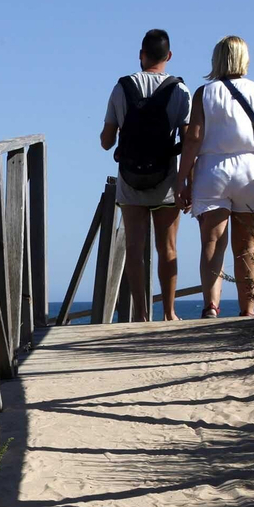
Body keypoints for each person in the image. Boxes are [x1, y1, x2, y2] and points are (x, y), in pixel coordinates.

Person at [175, 35, 254, 318]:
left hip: (212, 170)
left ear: (217, 59)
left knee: (212, 242)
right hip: (249, 168)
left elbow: (193, 139)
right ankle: (248, 309)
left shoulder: (203, 93)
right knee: (247, 244)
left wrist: (182, 178)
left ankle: (211, 305)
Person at [101, 28, 192, 321]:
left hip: (130, 178)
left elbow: (106, 141)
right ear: (169, 56)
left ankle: (140, 314)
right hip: (166, 178)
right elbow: (189, 139)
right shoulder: (180, 90)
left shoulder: (122, 87)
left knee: (134, 247)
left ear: (141, 55)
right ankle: (169, 312)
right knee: (167, 247)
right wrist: (185, 181)